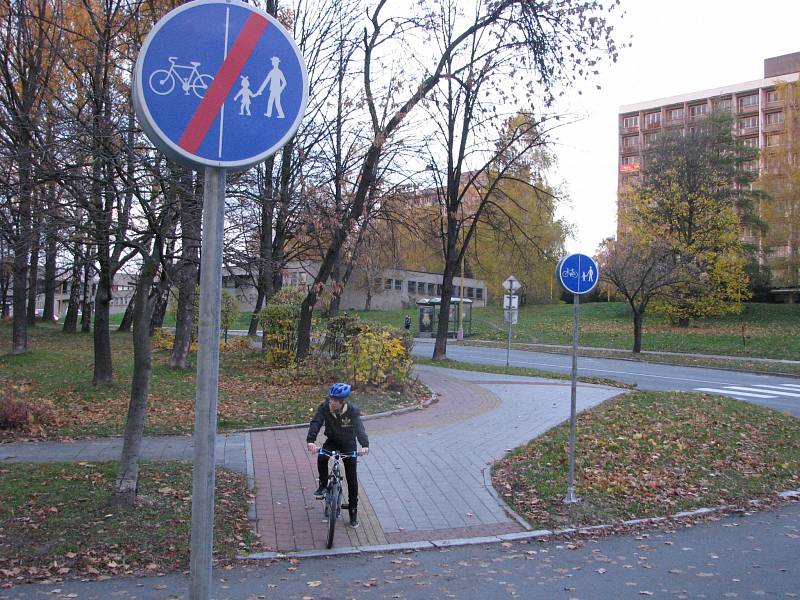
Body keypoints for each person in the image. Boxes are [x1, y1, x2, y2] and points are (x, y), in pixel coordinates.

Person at [307, 383, 369, 528]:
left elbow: (359, 428)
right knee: (322, 457)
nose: (331, 402)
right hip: (332, 441)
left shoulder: (352, 411)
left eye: (335, 400)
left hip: (348, 444)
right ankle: (323, 484)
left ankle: (353, 511)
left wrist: (365, 445)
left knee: (351, 477)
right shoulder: (324, 408)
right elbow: (316, 422)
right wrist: (311, 441)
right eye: (331, 399)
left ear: (342, 402)